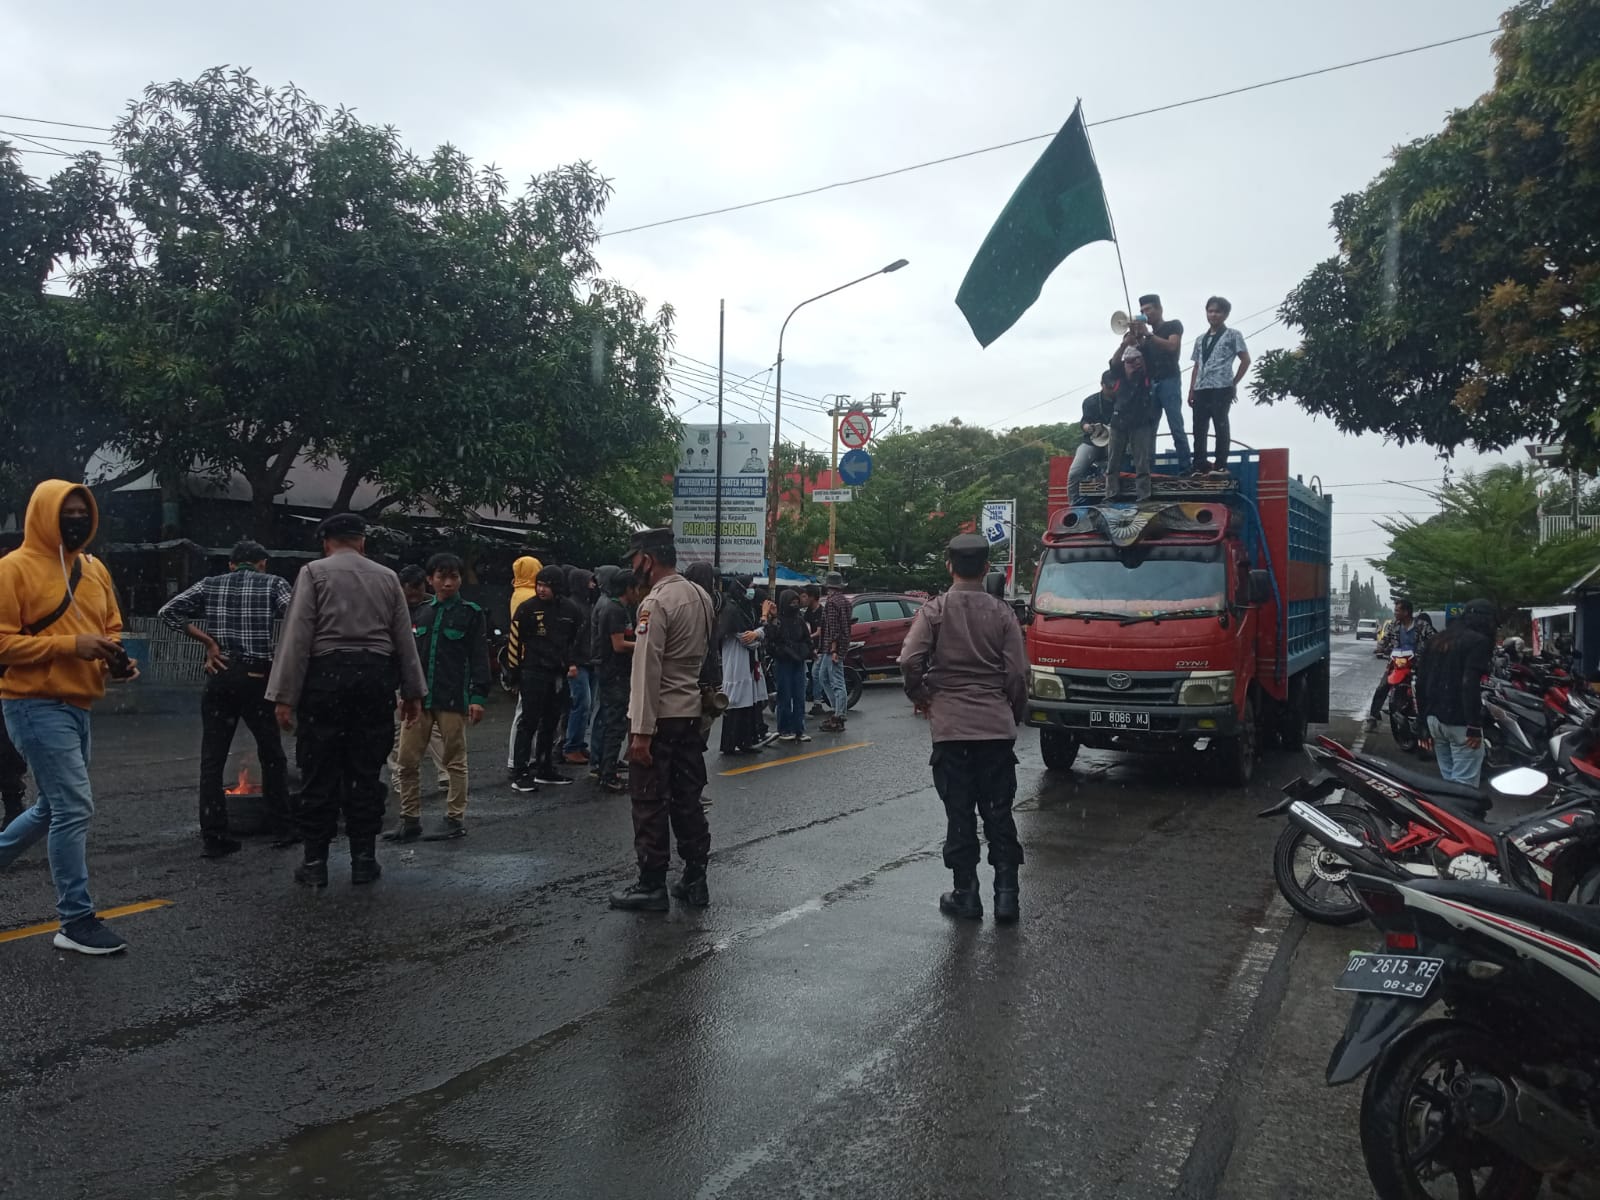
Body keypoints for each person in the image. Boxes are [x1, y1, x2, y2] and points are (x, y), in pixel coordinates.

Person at [0, 482, 138, 954]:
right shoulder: (12, 569)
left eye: (83, 512)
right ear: (43, 514)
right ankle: (75, 921)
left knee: (49, 808)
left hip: (79, 704)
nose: (76, 520)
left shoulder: (94, 568)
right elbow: (1, 643)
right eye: (67, 512)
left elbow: (110, 627)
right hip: (33, 703)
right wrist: (69, 646)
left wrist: (114, 661)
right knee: (74, 807)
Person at [266, 513, 427, 888]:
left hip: (326, 679)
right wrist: (413, 692)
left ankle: (315, 862)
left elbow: (298, 637)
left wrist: (284, 697)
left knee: (318, 771)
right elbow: (404, 638)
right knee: (365, 772)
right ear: (362, 542)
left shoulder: (313, 572)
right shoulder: (388, 577)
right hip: (374, 679)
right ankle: (364, 860)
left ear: (327, 542)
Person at [900, 533, 1028, 923]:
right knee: (999, 811)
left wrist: (922, 695)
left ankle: (966, 894)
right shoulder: (1003, 613)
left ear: (949, 566)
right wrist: (1013, 711)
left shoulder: (934, 611)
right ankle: (1007, 897)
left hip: (951, 729)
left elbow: (909, 660)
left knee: (960, 813)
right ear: (987, 568)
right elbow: (1018, 673)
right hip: (995, 727)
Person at [159, 539, 295, 857]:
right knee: (272, 754)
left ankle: (214, 836)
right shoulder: (274, 583)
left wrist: (209, 642)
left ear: (232, 564)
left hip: (220, 675)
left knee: (212, 759)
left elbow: (167, 613)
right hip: (257, 677)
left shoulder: (209, 584)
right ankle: (283, 828)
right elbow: (298, 617)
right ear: (261, 563)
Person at [610, 528, 716, 912]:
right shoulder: (701, 596)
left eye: (635, 560)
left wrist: (640, 731)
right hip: (689, 715)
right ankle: (695, 877)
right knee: (688, 799)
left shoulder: (655, 603)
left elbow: (646, 668)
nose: (633, 567)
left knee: (650, 801)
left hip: (659, 718)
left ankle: (652, 883)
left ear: (647, 560)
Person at [386, 552, 489, 842]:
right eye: (441, 577)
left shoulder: (470, 613)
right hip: (417, 700)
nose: (448, 583)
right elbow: (407, 659)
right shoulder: (419, 614)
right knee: (406, 762)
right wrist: (403, 693)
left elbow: (479, 658)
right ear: (430, 580)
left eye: (453, 576)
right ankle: (410, 820)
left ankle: (454, 819)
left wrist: (478, 696)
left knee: (454, 761)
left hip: (453, 700)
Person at [506, 564, 583, 790]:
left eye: (546, 586)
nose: (541, 590)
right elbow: (514, 641)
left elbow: (575, 640)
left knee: (551, 722)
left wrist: (571, 663)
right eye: (539, 585)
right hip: (532, 671)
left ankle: (544, 767)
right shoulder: (527, 608)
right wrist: (513, 674)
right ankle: (520, 771)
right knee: (528, 722)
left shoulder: (570, 611)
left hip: (557, 673)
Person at [1414, 598, 1496, 786]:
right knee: (1464, 788)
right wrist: (1474, 726)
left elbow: (1421, 682)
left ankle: (1444, 814)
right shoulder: (1478, 642)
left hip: (1434, 721)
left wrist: (1422, 724)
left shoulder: (1437, 639)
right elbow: (1469, 684)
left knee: (1449, 784)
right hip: (1460, 723)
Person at [388, 566, 450, 793]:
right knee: (397, 729)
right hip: (397, 676)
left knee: (434, 728)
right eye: (409, 591)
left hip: (428, 677)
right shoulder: (393, 606)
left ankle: (445, 773)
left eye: (417, 590)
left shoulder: (434, 607)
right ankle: (399, 777)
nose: (413, 596)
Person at [1114, 293, 1188, 474]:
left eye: (1148, 309)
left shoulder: (1173, 325)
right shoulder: (1146, 339)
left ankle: (1187, 468)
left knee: (1175, 425)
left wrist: (1148, 334)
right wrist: (1133, 340)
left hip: (1170, 380)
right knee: (1149, 428)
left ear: (1159, 309)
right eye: (1142, 311)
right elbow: (1136, 361)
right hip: (1151, 384)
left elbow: (1172, 346)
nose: (1145, 314)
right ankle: (1149, 469)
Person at [1187, 296, 1252, 476]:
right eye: (1210, 311)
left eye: (1217, 311)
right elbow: (1197, 365)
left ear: (1225, 314)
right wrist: (1191, 388)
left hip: (1221, 387)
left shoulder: (1233, 334)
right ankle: (1199, 464)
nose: (1213, 315)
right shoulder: (1200, 339)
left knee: (1220, 425)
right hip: (1201, 387)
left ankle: (1221, 465)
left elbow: (1245, 360)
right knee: (1199, 428)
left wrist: (1233, 382)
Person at [591, 566, 641, 793]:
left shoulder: (618, 607)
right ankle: (608, 774)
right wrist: (644, 645)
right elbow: (618, 644)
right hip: (614, 673)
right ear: (628, 588)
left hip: (615, 672)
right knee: (615, 724)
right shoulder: (614, 610)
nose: (638, 593)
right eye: (636, 588)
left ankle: (606, 766)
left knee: (612, 721)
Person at [1364, 599, 1436, 733]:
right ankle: (1373, 718)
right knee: (1382, 687)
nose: (1395, 613)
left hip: (1417, 663)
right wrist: (1380, 648)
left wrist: (1430, 652)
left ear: (1406, 612)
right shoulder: (1393, 625)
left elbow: (1434, 640)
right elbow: (1384, 640)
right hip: (1396, 663)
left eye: (1398, 610)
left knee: (1425, 688)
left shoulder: (1422, 625)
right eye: (1395, 610)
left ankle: (1425, 718)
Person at [717, 577, 766, 754]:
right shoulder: (732, 610)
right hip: (736, 660)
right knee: (735, 701)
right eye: (750, 587)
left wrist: (757, 634)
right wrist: (760, 633)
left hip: (747, 661)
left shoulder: (745, 608)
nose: (752, 590)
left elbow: (752, 636)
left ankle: (745, 740)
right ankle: (730, 743)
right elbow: (747, 639)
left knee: (747, 702)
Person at [504, 553, 543, 777]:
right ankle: (518, 759)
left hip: (521, 657)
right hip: (528, 659)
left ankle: (522, 757)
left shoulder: (517, 592)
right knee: (525, 714)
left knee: (525, 713)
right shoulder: (529, 596)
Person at [1105, 347, 1160, 502]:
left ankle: (1143, 495)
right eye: (1129, 361)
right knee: (1113, 461)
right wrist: (1124, 345)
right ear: (1124, 363)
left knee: (1142, 462)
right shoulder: (1117, 374)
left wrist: (1141, 352)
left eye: (1137, 360)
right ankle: (1111, 494)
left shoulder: (1146, 375)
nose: (1133, 364)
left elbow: (1151, 362)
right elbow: (1114, 362)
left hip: (1140, 422)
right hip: (1119, 422)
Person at [1067, 370, 1118, 505]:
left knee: (1113, 471)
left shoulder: (1123, 400)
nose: (1112, 390)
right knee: (1074, 472)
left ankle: (1111, 498)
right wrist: (1087, 427)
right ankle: (1073, 503)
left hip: (1116, 442)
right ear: (1102, 385)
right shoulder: (1090, 401)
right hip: (1092, 441)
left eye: (1115, 387)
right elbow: (1084, 420)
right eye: (1109, 387)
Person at [768, 591, 814, 742]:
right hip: (783, 663)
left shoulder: (799, 620)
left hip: (798, 663)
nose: (794, 605)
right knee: (785, 696)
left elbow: (808, 640)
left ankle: (799, 729)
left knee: (799, 697)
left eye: (796, 602)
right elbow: (772, 641)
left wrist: (803, 652)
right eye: (791, 602)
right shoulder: (777, 621)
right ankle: (784, 729)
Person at [816, 572, 853, 731]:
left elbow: (833, 627)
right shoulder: (845, 602)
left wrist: (833, 649)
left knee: (836, 681)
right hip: (838, 644)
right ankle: (837, 709)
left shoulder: (831, 603)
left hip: (832, 647)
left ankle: (839, 715)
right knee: (822, 676)